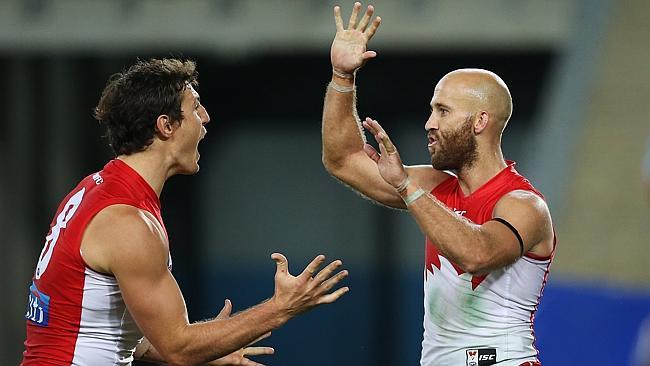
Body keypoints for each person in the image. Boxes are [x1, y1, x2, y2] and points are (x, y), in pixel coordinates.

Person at [22, 58, 349, 366]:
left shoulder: (98, 190)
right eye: (195, 107)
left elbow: (98, 328)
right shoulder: (126, 220)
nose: (205, 117)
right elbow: (179, 347)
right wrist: (281, 308)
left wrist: (212, 349)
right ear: (166, 125)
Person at [322, 3, 555, 365]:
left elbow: (477, 256)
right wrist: (341, 77)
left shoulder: (524, 204)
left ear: (480, 121)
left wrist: (407, 187)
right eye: (432, 110)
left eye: (443, 111)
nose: (430, 123)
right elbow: (342, 159)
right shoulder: (436, 187)